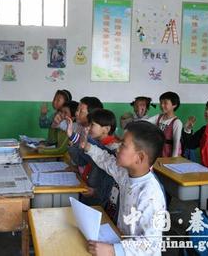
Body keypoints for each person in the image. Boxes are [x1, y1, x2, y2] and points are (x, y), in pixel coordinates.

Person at [79, 121, 166, 256]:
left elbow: (151, 244)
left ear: (140, 157)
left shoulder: (150, 194)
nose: (118, 148)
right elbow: (106, 160)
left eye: (123, 145)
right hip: (121, 241)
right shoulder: (126, 174)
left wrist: (112, 250)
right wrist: (88, 147)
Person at [76, 109, 120, 223]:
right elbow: (89, 160)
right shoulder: (98, 145)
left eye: (93, 125)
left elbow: (109, 180)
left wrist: (96, 191)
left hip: (99, 198)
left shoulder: (112, 149)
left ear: (106, 129)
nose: (89, 128)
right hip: (90, 188)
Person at [146, 91, 182, 157]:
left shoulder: (177, 122)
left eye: (165, 103)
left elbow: (176, 144)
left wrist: (173, 160)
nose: (162, 105)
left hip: (169, 155)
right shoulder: (158, 117)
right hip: (159, 152)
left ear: (174, 105)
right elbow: (145, 122)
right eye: (161, 103)